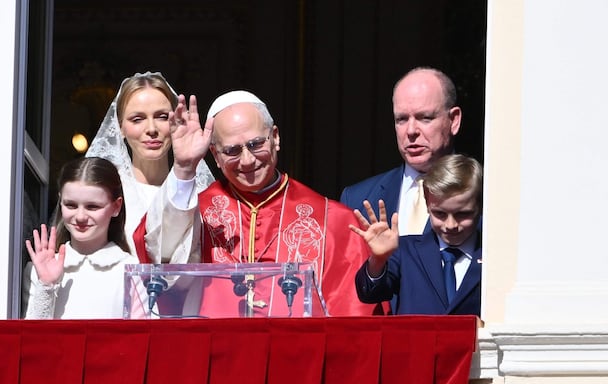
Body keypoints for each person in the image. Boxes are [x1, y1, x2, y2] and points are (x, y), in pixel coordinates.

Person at [139, 90, 376, 317]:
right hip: (216, 352)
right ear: (216, 156)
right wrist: (184, 168)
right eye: (232, 150)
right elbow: (161, 259)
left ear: (275, 137)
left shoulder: (332, 220)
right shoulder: (195, 213)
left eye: (255, 144)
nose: (247, 160)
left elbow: (353, 317)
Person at [86, 71, 213, 253]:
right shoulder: (105, 192)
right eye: (137, 119)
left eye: (162, 117)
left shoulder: (200, 192)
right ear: (120, 127)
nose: (151, 129)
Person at [350, 153, 482, 315]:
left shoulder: (494, 257)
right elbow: (370, 294)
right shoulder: (406, 251)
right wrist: (378, 260)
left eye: (463, 214)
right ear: (427, 204)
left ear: (480, 207)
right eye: (440, 214)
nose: (451, 225)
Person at [340, 67, 462, 236]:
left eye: (425, 117)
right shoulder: (357, 199)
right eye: (402, 119)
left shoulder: (486, 194)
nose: (411, 131)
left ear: (454, 120)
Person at [23, 156, 143, 319]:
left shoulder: (133, 271)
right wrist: (46, 285)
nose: (80, 216)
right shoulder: (37, 269)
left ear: (116, 207)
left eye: (92, 207)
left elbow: (140, 339)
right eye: (70, 205)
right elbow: (32, 340)